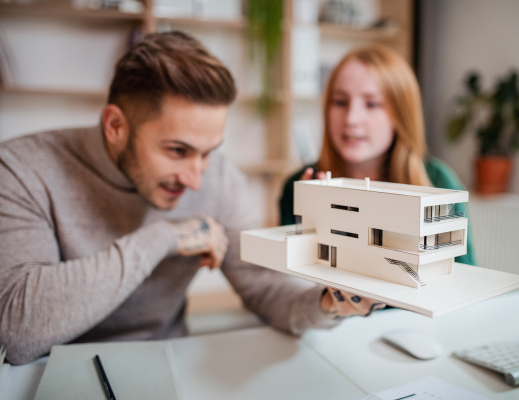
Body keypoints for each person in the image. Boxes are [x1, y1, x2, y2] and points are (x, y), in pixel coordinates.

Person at [0, 32, 383, 365]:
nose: (196, 179)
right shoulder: (21, 170)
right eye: (178, 151)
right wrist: (165, 237)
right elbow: (18, 331)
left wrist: (327, 303)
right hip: (47, 373)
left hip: (165, 363)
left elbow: (261, 287)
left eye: (208, 151)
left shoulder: (219, 177)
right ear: (115, 126)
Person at [280, 44, 476, 266]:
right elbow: (289, 289)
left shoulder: (440, 183)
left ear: (401, 115)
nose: (351, 118)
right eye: (340, 102)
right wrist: (311, 223)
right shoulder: (297, 186)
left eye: (372, 104)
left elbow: (465, 280)